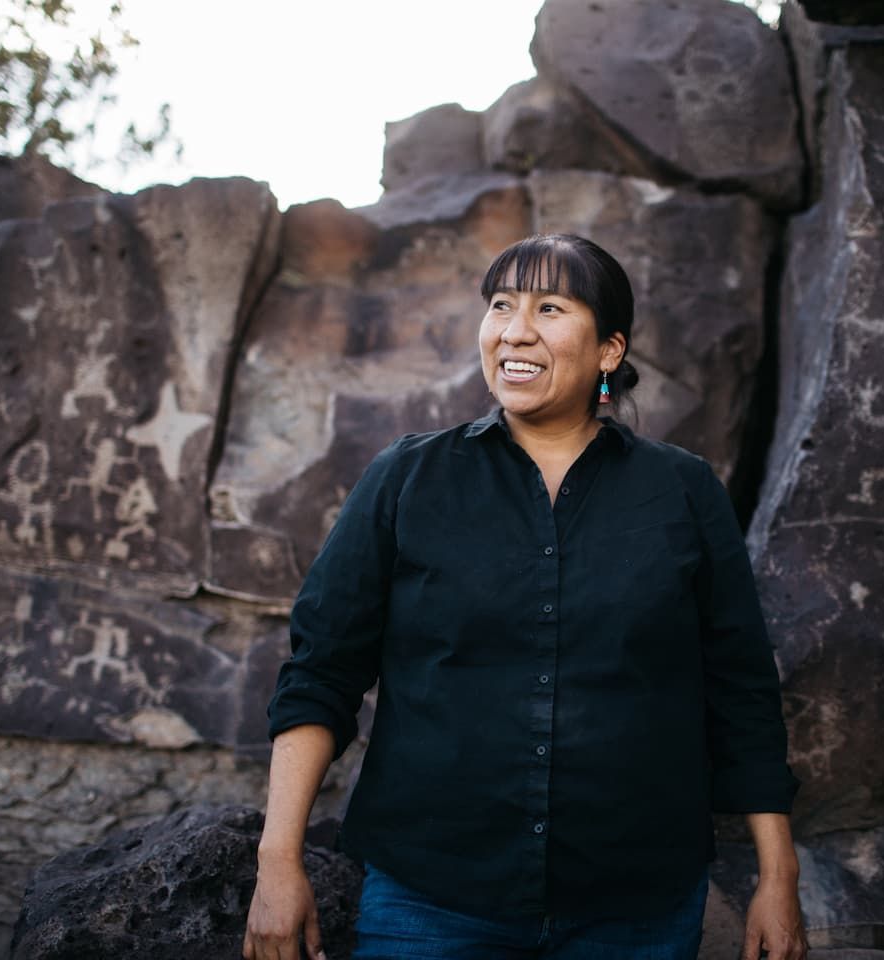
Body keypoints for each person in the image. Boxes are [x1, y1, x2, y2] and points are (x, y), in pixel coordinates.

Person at [243, 234, 807, 960]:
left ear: (608, 350)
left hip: (637, 906)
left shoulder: (682, 490)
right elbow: (321, 672)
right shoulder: (407, 478)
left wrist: (777, 873)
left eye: (548, 307)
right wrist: (277, 862)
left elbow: (741, 687)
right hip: (431, 898)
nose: (514, 329)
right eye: (501, 305)